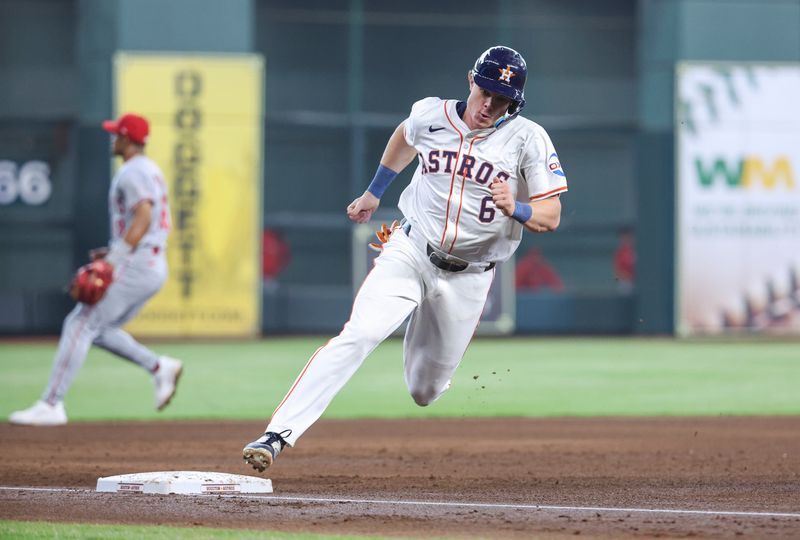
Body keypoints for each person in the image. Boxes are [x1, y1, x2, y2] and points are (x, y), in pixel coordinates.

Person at [243, 46, 567, 471]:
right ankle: (277, 434)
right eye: (485, 91)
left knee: (424, 391)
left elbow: (551, 215)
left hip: (469, 276)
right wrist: (374, 191)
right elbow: (404, 136)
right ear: (471, 80)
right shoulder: (431, 115)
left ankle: (431, 346)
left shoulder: (528, 138)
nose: (489, 104)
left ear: (514, 103)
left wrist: (517, 209)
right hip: (411, 250)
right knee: (360, 334)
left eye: (501, 99)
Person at [9, 113, 183, 426]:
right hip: (151, 261)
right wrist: (114, 251)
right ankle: (159, 367)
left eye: (117, 134)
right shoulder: (149, 169)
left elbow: (143, 216)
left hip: (139, 261)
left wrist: (112, 260)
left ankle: (51, 404)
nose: (113, 138)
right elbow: (147, 221)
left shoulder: (133, 172)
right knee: (98, 329)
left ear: (129, 139)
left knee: (79, 322)